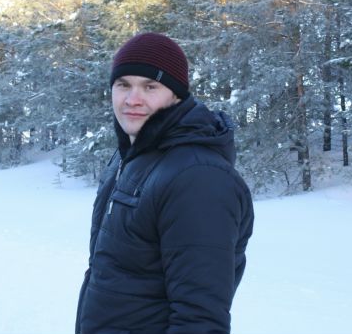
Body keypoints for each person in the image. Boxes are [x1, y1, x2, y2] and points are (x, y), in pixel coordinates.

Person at [75, 32, 254, 334]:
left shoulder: (197, 178)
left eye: (150, 86)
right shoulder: (130, 158)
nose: (132, 99)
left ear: (177, 95)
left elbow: (199, 319)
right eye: (123, 85)